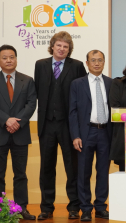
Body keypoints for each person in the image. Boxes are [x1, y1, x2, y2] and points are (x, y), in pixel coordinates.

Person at [33, 31, 85, 220]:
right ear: (52, 46)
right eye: (59, 45)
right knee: (46, 167)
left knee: (72, 168)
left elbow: (82, 94)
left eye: (66, 46)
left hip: (69, 125)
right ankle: (46, 207)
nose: (62, 49)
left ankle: (74, 207)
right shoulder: (40, 65)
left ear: (69, 49)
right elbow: (37, 92)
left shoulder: (77, 66)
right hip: (47, 125)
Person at [0, 45, 37, 220]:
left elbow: (31, 104)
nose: (8, 60)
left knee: (20, 174)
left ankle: (22, 208)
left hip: (20, 134)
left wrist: (16, 122)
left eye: (12, 57)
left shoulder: (27, 80)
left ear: (16, 59)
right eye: (4, 57)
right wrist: (7, 120)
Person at [69, 50, 112, 221]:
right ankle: (85, 208)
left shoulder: (110, 83)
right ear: (87, 63)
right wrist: (75, 135)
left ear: (103, 62)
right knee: (84, 172)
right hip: (85, 133)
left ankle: (101, 206)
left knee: (103, 171)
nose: (96, 63)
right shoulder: (77, 84)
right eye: (93, 60)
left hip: (105, 132)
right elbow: (72, 112)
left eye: (100, 60)